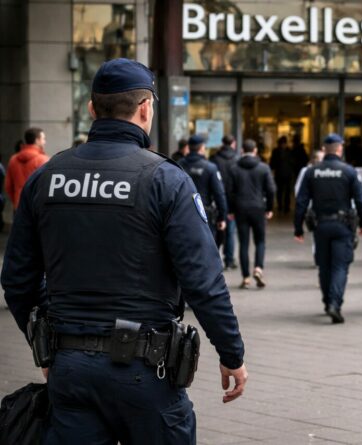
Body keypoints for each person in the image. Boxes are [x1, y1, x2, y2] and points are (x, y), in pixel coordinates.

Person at [0, 58, 247, 444]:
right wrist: (231, 353)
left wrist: (46, 347)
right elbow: (203, 280)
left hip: (70, 368)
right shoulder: (165, 179)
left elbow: (17, 279)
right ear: (146, 107)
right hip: (145, 372)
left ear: (92, 108)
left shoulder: (47, 178)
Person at [294, 133, 362, 324]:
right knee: (340, 266)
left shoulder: (312, 171)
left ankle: (328, 301)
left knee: (324, 266)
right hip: (343, 225)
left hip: (321, 226)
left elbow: (301, 201)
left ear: (324, 150)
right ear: (340, 148)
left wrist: (298, 227)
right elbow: (361, 199)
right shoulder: (348, 171)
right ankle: (335, 303)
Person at [228, 139, 276, 289]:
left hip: (241, 209)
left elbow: (229, 192)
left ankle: (246, 277)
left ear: (242, 150)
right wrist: (269, 208)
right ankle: (258, 268)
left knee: (243, 243)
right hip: (258, 208)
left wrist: (230, 210)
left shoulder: (234, 168)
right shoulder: (263, 168)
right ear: (255, 151)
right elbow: (271, 189)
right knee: (260, 241)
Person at [178, 134, 228, 237]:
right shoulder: (210, 167)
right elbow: (219, 194)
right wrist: (222, 217)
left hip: (182, 214)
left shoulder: (178, 165)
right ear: (202, 148)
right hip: (204, 215)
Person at [211, 134, 241, 269]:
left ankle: (215, 259)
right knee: (230, 231)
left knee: (216, 230)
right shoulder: (237, 160)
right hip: (232, 200)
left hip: (216, 199)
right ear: (233, 143)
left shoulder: (214, 159)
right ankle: (229, 260)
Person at [5, 127, 49, 209]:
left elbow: (8, 186)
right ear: (37, 140)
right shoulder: (43, 160)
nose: (44, 142)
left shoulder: (13, 159)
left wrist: (16, 201)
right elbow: (46, 186)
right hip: (36, 207)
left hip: (19, 206)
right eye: (43, 139)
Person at [270, 136, 293, 213]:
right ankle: (280, 205)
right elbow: (272, 162)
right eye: (282, 143)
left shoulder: (289, 151)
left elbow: (293, 162)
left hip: (286, 174)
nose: (283, 145)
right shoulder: (276, 151)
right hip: (280, 174)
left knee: (286, 191)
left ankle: (286, 206)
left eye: (284, 143)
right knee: (280, 191)